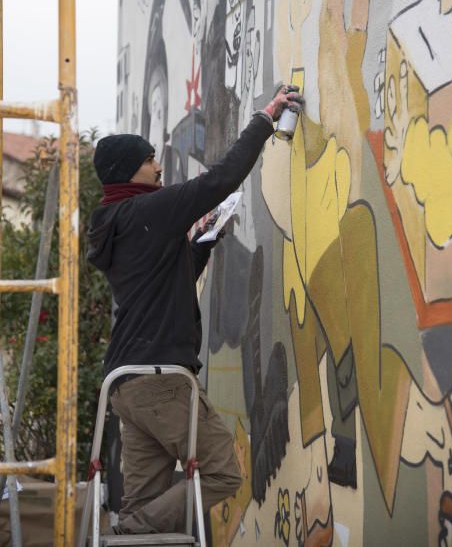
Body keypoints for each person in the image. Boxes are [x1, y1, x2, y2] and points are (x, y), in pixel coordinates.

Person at [87, 84, 304, 536]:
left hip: (128, 384)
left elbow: (167, 281)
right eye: (149, 160)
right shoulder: (150, 208)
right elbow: (218, 181)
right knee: (223, 471)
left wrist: (201, 243)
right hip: (162, 380)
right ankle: (127, 532)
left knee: (146, 503)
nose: (158, 165)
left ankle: (134, 530)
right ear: (131, 171)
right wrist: (265, 119)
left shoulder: (118, 223)